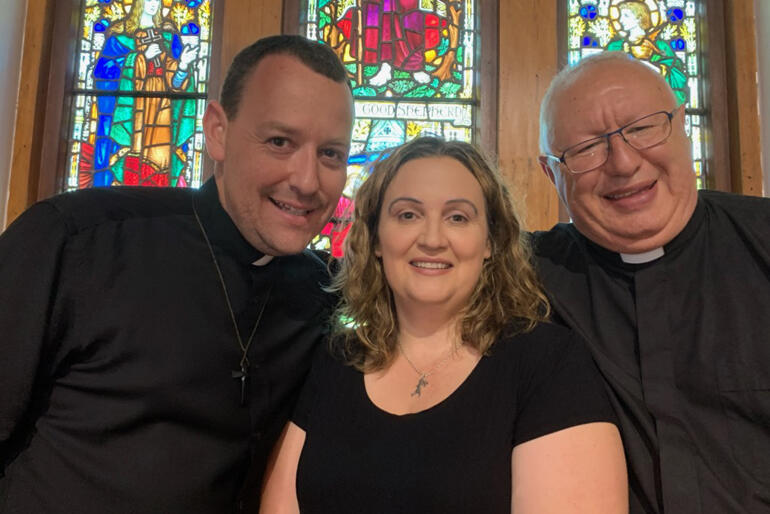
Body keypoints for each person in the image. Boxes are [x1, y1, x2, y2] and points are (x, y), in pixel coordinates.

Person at [0, 35, 353, 513]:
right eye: (279, 141)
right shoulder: (76, 242)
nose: (307, 181)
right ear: (217, 132)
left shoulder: (325, 295)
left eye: (331, 153)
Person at [260, 136, 628, 513]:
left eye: (458, 217)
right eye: (407, 215)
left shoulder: (548, 364)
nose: (432, 239)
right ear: (375, 239)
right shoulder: (336, 357)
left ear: (490, 241)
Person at [535, 51, 770, 513]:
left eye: (642, 128)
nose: (622, 163)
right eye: (586, 149)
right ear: (551, 173)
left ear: (682, 127)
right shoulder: (526, 276)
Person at [94, 0, 200, 186]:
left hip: (162, 113)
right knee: (129, 165)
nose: (154, 4)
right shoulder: (119, 37)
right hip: (133, 114)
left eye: (158, 1)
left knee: (160, 164)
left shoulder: (168, 36)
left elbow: (175, 81)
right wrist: (140, 58)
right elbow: (103, 71)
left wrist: (183, 64)